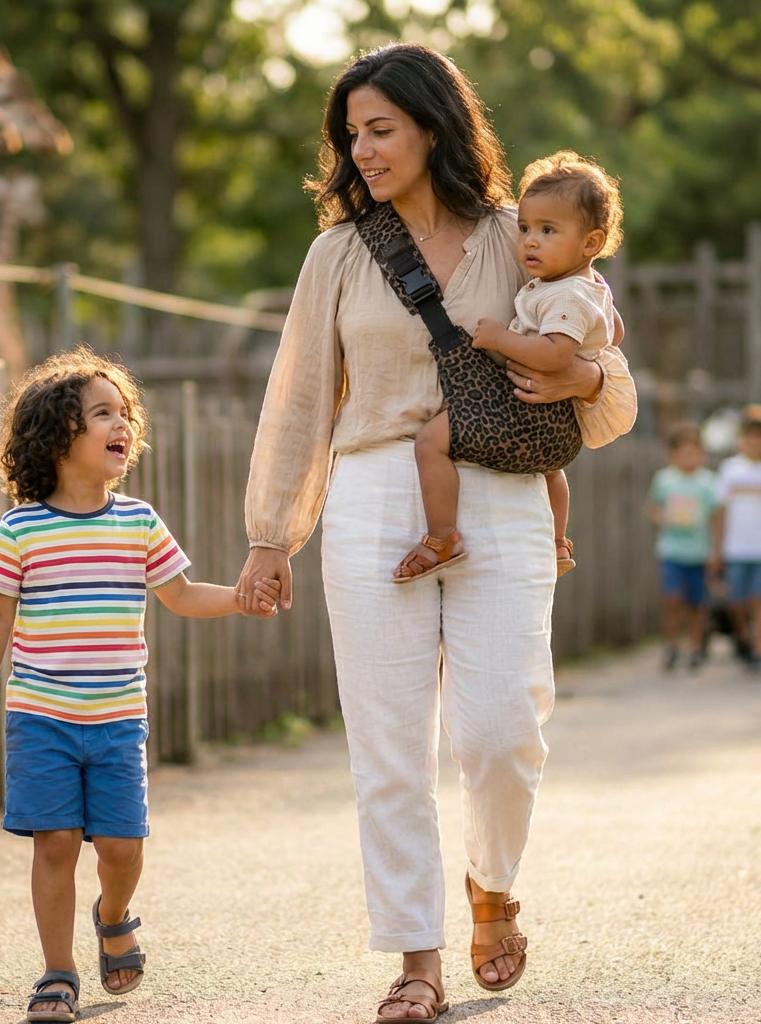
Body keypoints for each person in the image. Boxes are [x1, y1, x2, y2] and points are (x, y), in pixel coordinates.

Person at [236, 44, 637, 1021]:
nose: (362, 150)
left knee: (505, 727)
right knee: (388, 742)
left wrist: (585, 378)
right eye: (350, 135)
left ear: (431, 125)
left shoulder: (523, 236)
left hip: (501, 489)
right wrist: (267, 535)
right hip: (374, 488)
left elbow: (608, 377)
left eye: (380, 129)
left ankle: (492, 886)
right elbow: (297, 401)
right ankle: (417, 959)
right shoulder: (335, 253)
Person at [0, 349, 279, 1023]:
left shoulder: (137, 521)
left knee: (121, 846)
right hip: (39, 716)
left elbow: (185, 594)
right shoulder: (22, 528)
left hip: (116, 719)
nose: (122, 424)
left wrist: (241, 598)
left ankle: (113, 915)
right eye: (101, 412)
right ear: (58, 437)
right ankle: (58, 972)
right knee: (53, 843)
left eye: (124, 413)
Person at [398, 151, 624, 583]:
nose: (530, 241)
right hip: (554, 418)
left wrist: (503, 339)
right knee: (551, 468)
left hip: (520, 404)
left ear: (591, 244)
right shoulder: (587, 286)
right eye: (524, 228)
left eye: (547, 230)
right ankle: (558, 541)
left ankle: (441, 537)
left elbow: (557, 354)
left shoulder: (568, 295)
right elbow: (615, 333)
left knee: (430, 443)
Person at [646, 422, 718, 670]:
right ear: (673, 455)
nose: (690, 458)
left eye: (695, 452)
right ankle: (671, 645)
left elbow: (715, 516)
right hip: (672, 550)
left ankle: (696, 645)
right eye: (684, 453)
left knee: (697, 602)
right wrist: (661, 518)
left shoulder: (708, 483)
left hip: (698, 552)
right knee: (672, 598)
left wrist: (715, 551)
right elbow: (653, 506)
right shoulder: (665, 479)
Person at [711, 405, 761, 671]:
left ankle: (757, 647)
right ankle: (743, 637)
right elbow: (720, 511)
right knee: (737, 600)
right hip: (736, 547)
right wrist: (716, 549)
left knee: (758, 599)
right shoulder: (731, 469)